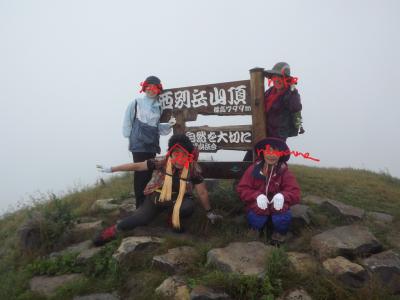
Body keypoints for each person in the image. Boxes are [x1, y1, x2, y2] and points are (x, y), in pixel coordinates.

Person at [94, 134, 223, 246]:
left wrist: (209, 212)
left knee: (188, 206)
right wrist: (112, 169)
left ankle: (172, 218)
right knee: (140, 219)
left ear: (189, 155)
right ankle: (112, 231)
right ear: (170, 153)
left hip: (178, 198)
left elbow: (202, 192)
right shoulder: (162, 162)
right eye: (176, 153)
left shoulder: (193, 169)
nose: (179, 158)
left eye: (184, 154)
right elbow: (137, 166)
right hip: (156, 196)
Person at [122, 75, 176, 208]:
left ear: (158, 90)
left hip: (151, 146)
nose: (151, 90)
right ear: (144, 87)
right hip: (139, 145)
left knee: (149, 173)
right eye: (149, 87)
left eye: (155, 88)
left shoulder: (158, 107)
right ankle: (140, 205)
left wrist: (169, 125)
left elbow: (156, 127)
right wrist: (130, 139)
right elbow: (127, 122)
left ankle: (147, 203)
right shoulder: (135, 103)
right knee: (140, 173)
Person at [237, 137, 300, 245]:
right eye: (268, 151)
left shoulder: (284, 172)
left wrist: (283, 196)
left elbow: (295, 193)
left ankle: (279, 234)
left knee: (282, 218)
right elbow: (242, 188)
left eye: (275, 151)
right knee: (256, 218)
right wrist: (256, 196)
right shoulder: (253, 170)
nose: (272, 155)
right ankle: (256, 229)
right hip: (258, 207)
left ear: (281, 154)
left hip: (278, 208)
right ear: (263, 152)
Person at [243, 62, 303, 161]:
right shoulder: (270, 91)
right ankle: (245, 176)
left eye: (280, 77)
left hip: (277, 136)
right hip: (261, 132)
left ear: (286, 79)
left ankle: (278, 176)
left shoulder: (290, 93)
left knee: (272, 162)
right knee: (250, 158)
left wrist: (292, 89)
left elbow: (295, 107)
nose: (277, 80)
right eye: (274, 77)